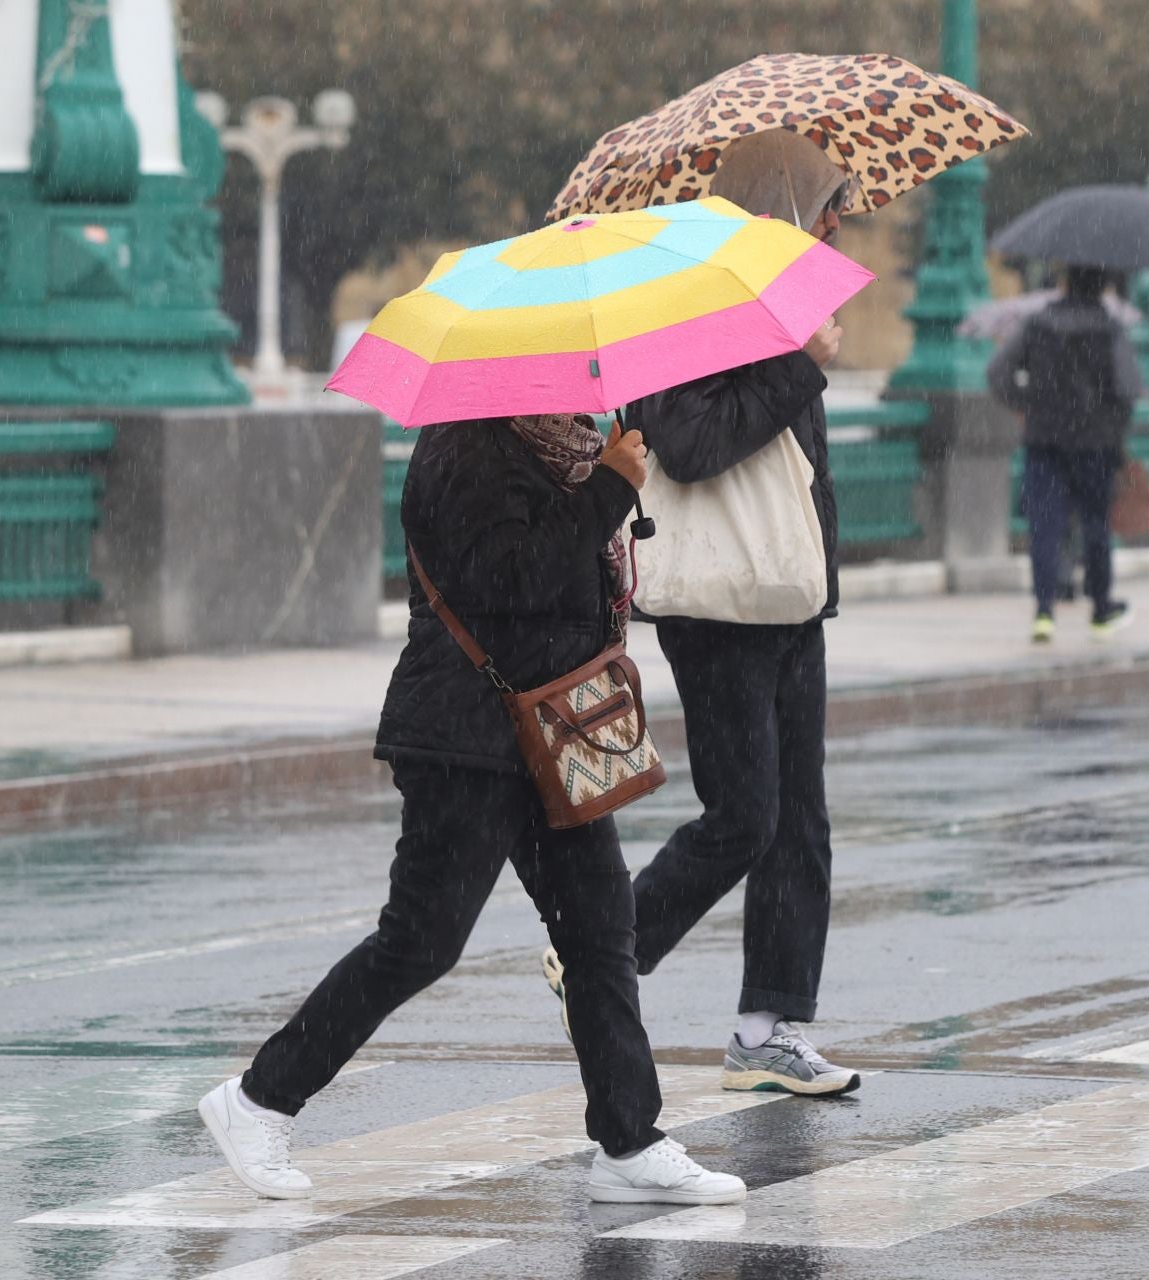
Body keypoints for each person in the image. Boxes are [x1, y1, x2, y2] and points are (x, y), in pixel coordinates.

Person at [199, 413, 745, 1208]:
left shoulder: (560, 442)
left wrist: (606, 485)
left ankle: (629, 1142)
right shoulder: (466, 444)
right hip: (466, 732)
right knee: (422, 939)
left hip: (554, 723)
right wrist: (611, 489)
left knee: (600, 932)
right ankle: (257, 1101)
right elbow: (510, 578)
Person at [543, 130, 862, 1099]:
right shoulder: (679, 302)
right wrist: (798, 363)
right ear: (785, 201)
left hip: (785, 596)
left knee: (799, 823)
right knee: (744, 815)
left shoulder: (776, 302)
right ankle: (607, 944)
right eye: (831, 204)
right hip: (719, 604)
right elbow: (688, 445)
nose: (843, 222)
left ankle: (768, 1027)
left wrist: (793, 350)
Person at [986, 264, 1143, 644]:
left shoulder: (1038, 324)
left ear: (1064, 283)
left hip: (1044, 440)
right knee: (1095, 526)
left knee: (1045, 527)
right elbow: (1130, 386)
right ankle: (1101, 608)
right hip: (1094, 444)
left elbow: (998, 373)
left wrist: (1028, 402)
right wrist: (1111, 424)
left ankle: (1044, 610)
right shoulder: (1109, 329)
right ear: (1103, 286)